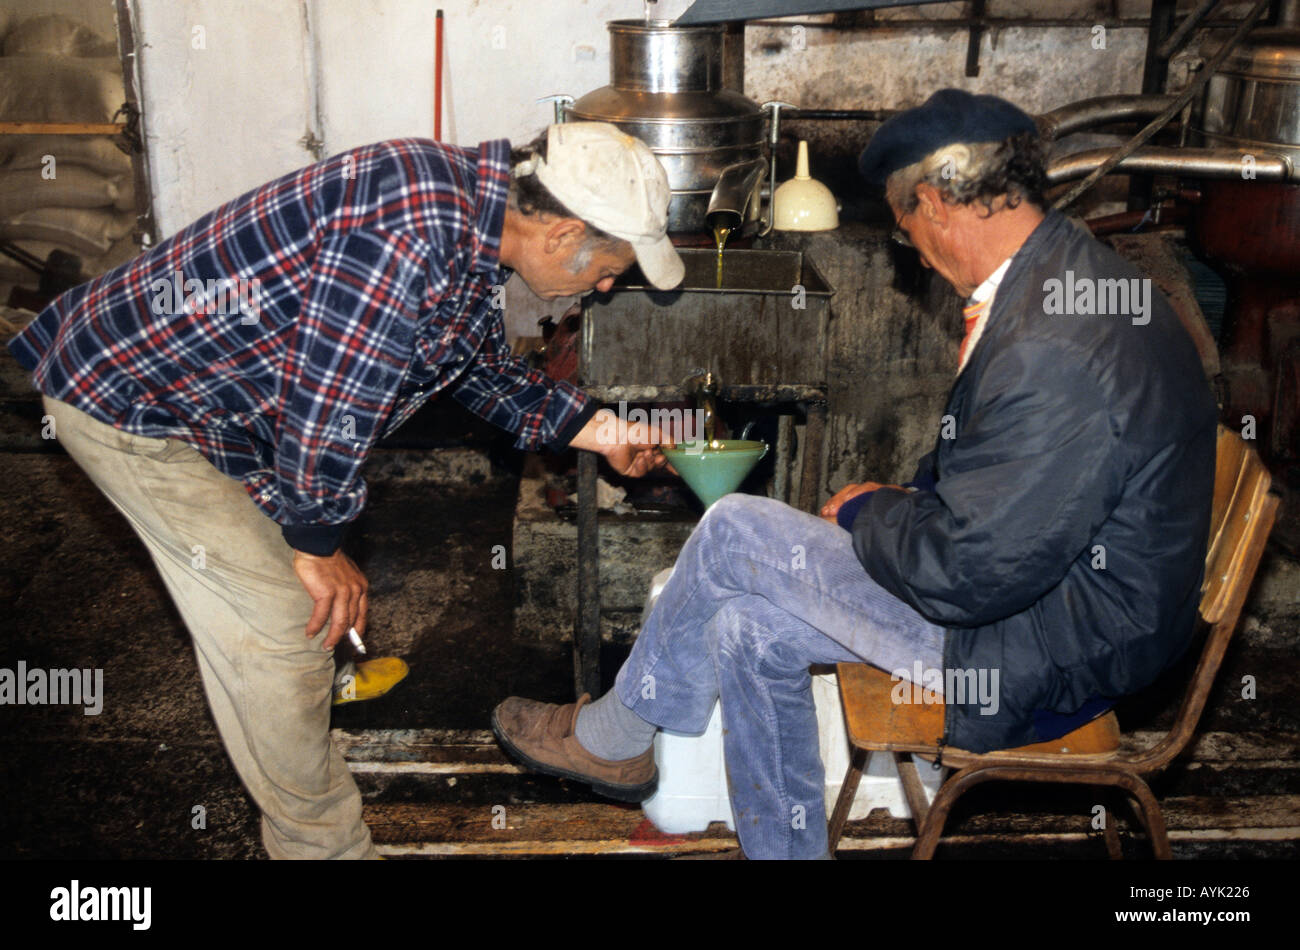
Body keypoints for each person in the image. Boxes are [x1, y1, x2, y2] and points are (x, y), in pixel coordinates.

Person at [491, 89, 1218, 859]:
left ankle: (617, 735)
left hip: (1048, 646)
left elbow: (968, 574)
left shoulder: (1056, 344)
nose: (916, 254)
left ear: (935, 202)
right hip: (1047, 604)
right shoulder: (1061, 275)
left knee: (736, 526)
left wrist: (877, 514)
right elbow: (1007, 484)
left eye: (904, 231)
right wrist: (907, 499)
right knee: (745, 628)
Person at [8, 121, 683, 859]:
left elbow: (474, 367)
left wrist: (597, 428)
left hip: (221, 416)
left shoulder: (461, 219)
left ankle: (300, 771)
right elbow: (328, 406)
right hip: (135, 401)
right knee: (287, 624)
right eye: (612, 268)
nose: (609, 286)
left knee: (285, 613)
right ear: (562, 233)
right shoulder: (407, 232)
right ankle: (326, 850)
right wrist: (317, 543)